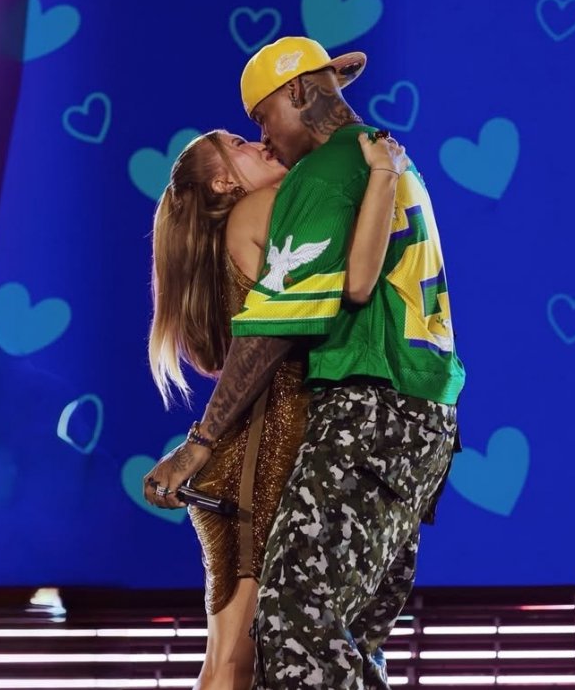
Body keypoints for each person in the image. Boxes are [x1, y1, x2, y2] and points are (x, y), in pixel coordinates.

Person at [143, 127, 409, 690]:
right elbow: (357, 280)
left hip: (261, 454)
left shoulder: (241, 228)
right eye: (239, 144)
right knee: (236, 661)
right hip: (258, 462)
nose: (259, 144)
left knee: (245, 658)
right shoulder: (264, 208)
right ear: (223, 181)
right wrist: (384, 174)